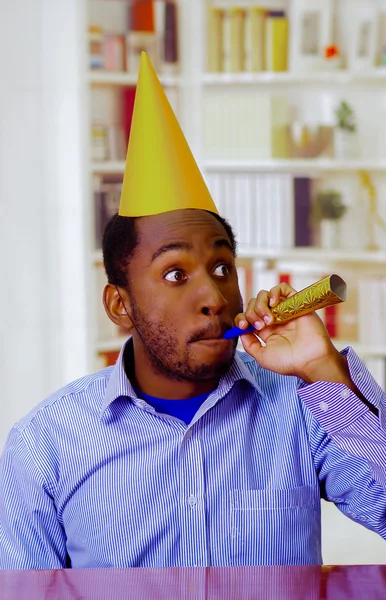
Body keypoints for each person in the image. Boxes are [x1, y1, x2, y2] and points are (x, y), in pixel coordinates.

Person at [1, 53, 386, 570]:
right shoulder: (42, 446)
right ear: (120, 305)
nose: (214, 296)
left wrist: (321, 368)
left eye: (223, 266)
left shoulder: (302, 405)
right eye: (176, 273)